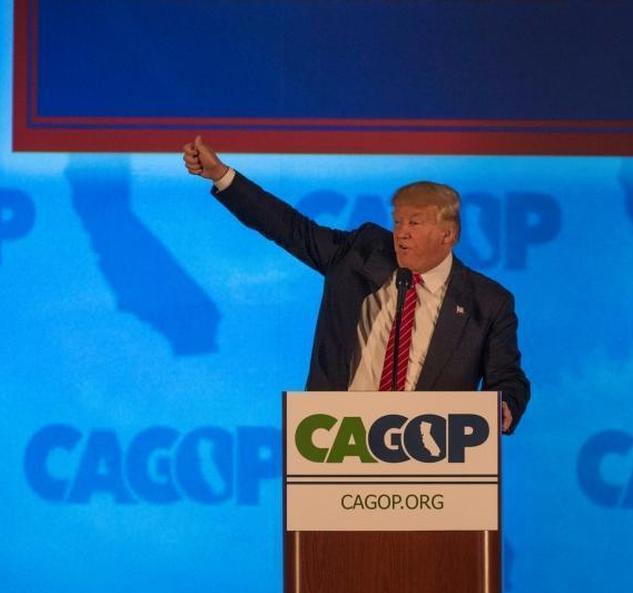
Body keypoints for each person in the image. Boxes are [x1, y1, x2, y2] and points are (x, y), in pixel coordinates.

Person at [183, 136, 530, 432]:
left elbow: (508, 378)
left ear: (448, 234)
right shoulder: (360, 253)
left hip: (431, 460)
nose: (402, 233)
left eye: (415, 222)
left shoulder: (487, 302)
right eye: (398, 222)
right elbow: (290, 228)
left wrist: (504, 405)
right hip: (340, 444)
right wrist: (222, 176)